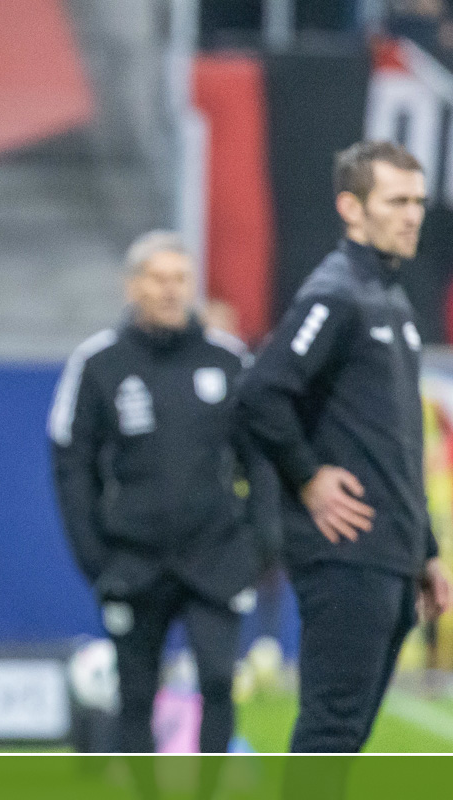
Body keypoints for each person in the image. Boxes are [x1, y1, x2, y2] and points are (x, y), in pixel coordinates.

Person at [238, 140, 451, 753]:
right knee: (330, 731)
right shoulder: (337, 292)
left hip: (390, 553)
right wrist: (308, 477)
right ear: (351, 209)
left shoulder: (390, 298)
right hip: (346, 553)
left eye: (418, 201)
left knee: (346, 738)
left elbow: (398, 445)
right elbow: (261, 392)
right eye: (396, 201)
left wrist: (425, 550)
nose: (412, 216)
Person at [49, 231, 278, 753]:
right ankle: (142, 788)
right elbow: (71, 464)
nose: (171, 290)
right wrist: (95, 558)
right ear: (131, 286)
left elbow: (263, 457)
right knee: (135, 695)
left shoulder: (228, 359)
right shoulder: (99, 363)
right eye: (158, 278)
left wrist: (261, 545)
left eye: (181, 279)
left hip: (216, 556)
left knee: (218, 681)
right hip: (134, 560)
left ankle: (209, 786)